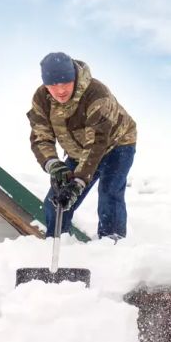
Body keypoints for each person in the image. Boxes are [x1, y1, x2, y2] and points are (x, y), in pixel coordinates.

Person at [27, 52, 137, 240]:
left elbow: (96, 143)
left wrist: (78, 182)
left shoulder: (96, 94)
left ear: (75, 78)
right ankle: (57, 244)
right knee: (57, 201)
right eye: (53, 85)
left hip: (116, 145)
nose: (60, 90)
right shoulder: (41, 99)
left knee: (109, 193)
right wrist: (53, 164)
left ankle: (112, 245)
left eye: (65, 83)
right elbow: (41, 136)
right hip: (78, 152)